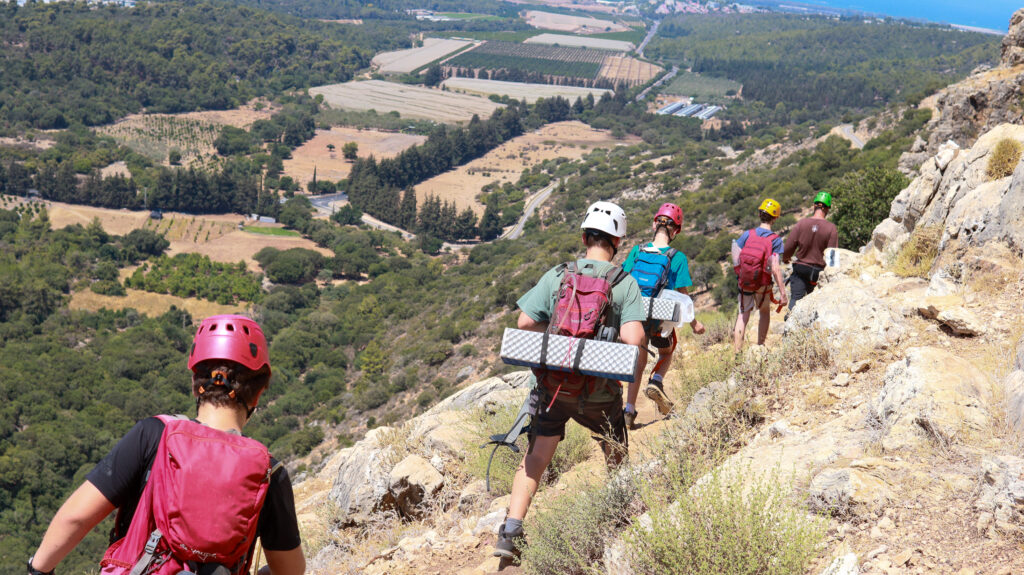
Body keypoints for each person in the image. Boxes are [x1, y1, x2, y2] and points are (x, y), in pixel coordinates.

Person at [28, 315, 305, 575]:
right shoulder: (269, 471)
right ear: (258, 394)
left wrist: (38, 569)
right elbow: (290, 570)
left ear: (195, 383)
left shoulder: (153, 434)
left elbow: (76, 518)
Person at [493, 201, 647, 561]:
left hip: (554, 387)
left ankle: (511, 531)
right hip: (599, 392)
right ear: (618, 242)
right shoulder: (624, 283)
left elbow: (524, 323)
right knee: (615, 449)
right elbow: (634, 339)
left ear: (584, 238)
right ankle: (619, 518)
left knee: (537, 455)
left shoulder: (559, 274)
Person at [621, 202, 705, 426]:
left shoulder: (637, 251)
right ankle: (656, 380)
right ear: (676, 231)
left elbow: (623, 280)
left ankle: (629, 410)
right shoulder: (677, 257)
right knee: (667, 352)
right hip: (660, 319)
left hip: (635, 314)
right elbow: (683, 294)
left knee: (638, 360)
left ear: (654, 224)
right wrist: (695, 323)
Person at [732, 199, 787, 353]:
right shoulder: (775, 240)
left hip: (745, 282)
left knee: (742, 315)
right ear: (775, 218)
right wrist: (782, 292)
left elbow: (736, 256)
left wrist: (740, 276)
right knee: (764, 312)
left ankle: (737, 353)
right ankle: (760, 348)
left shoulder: (747, 234)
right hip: (763, 283)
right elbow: (775, 268)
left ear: (759, 214)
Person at [782, 191, 838, 309]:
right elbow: (832, 258)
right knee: (817, 306)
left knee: (795, 300)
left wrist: (786, 258)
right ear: (827, 208)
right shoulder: (831, 228)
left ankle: (791, 317)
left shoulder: (801, 223)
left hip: (801, 269)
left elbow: (789, 246)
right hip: (819, 273)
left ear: (814, 206)